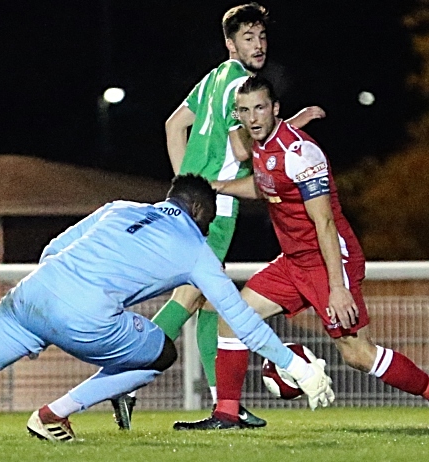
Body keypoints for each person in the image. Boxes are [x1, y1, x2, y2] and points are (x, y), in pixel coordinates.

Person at [0, 175, 335, 444]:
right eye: (209, 216)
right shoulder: (194, 244)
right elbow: (237, 317)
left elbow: (55, 247)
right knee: (161, 353)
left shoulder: (120, 207)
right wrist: (293, 365)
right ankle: (54, 413)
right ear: (199, 210)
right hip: (85, 319)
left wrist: (44, 315)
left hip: (32, 293)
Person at [196, 75, 429, 429]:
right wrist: (217, 187)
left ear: (275, 109)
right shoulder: (261, 145)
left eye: (259, 108)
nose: (252, 118)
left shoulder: (301, 153)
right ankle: (227, 414)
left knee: (358, 355)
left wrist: (337, 287)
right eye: (244, 111)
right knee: (233, 318)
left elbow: (324, 224)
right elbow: (265, 186)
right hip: (294, 262)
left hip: (328, 262)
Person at [115, 2, 325, 431]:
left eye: (262, 36)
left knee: (210, 304)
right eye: (249, 38)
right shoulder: (242, 87)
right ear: (231, 43)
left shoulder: (213, 78)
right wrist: (296, 123)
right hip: (217, 210)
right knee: (191, 299)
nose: (259, 44)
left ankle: (224, 406)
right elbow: (241, 146)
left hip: (193, 205)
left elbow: (174, 125)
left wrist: (183, 187)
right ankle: (124, 380)